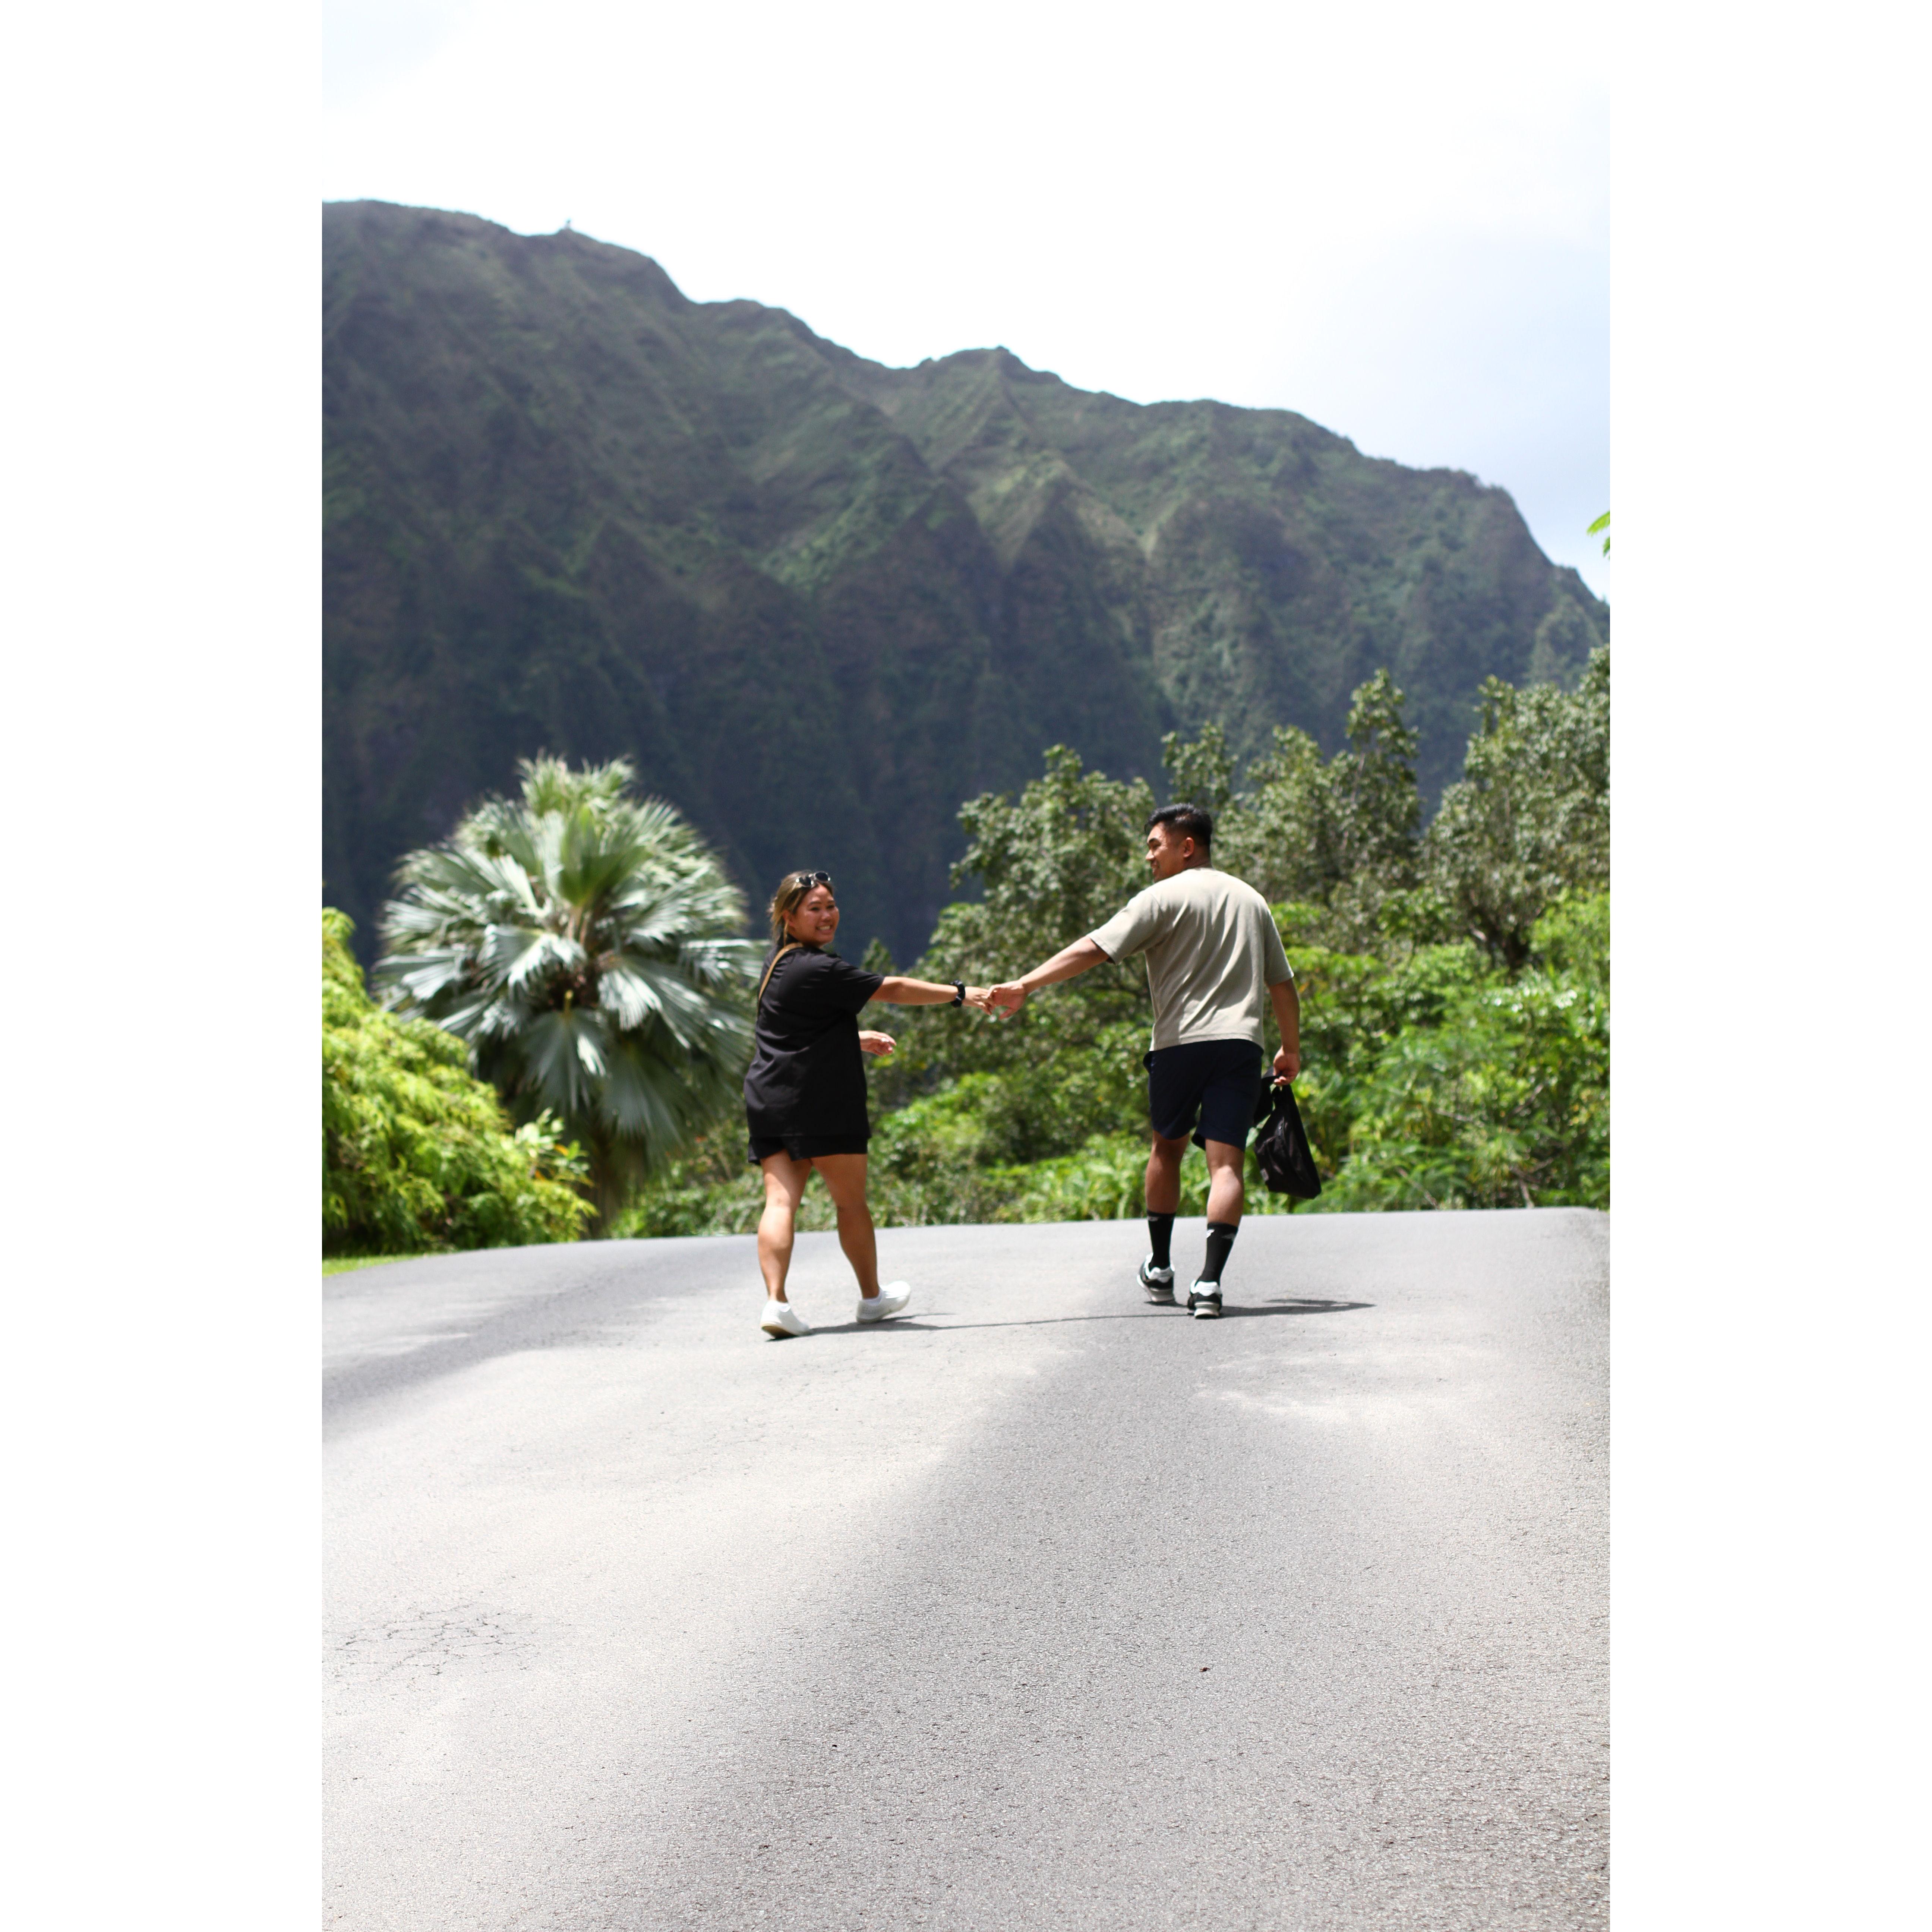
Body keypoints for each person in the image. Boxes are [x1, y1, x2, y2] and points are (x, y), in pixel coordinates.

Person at [985, 804, 1299, 1318]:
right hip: (1241, 1045)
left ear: (1186, 847)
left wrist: (1026, 984)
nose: (1149, 857)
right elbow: (1282, 985)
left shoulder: (1161, 899)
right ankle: (1210, 1284)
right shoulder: (1251, 900)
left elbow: (1094, 948)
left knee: (1166, 1149)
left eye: (1156, 845)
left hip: (1178, 1045)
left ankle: (1159, 1266)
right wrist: (1291, 1049)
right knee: (1226, 1165)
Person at [746, 870, 988, 1340]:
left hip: (770, 1098)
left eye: (830, 905)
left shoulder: (777, 965)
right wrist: (960, 994)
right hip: (823, 1102)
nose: (826, 915)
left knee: (780, 1201)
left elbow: (788, 1030)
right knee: (851, 1203)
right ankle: (872, 1299)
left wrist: (852, 1038)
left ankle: (776, 1303)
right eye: (813, 908)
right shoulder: (821, 968)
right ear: (787, 917)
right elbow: (892, 988)